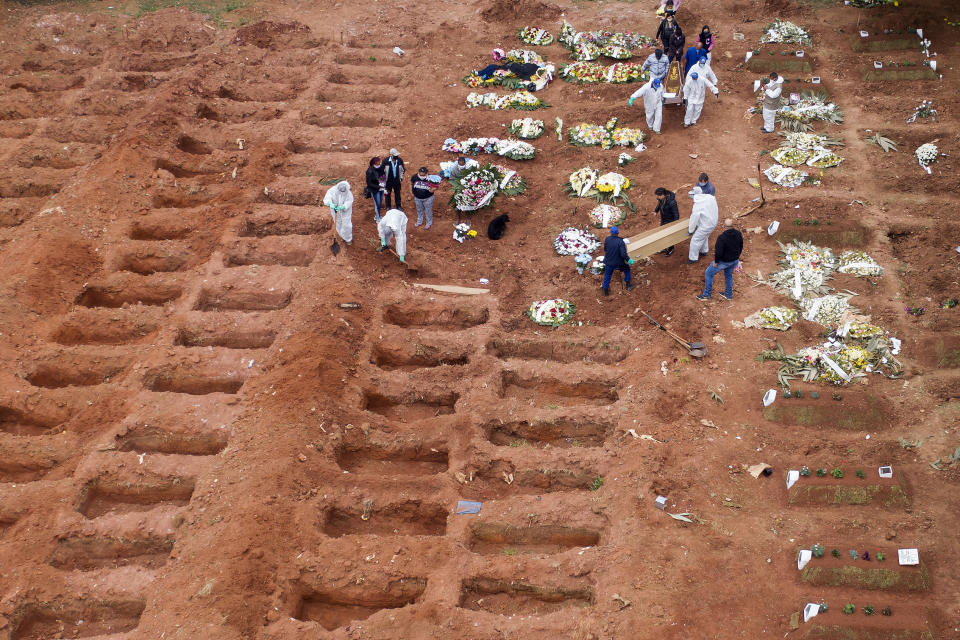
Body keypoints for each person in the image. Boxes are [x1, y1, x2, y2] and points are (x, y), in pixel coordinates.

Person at [697, 219, 743, 301]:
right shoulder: (738, 234)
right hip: (734, 260)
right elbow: (741, 246)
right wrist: (737, 257)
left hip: (724, 262)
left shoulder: (722, 238)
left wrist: (716, 262)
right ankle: (728, 294)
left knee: (708, 273)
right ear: (733, 226)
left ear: (724, 226)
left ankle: (706, 295)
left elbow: (719, 252)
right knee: (728, 275)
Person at [686, 186, 718, 263]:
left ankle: (693, 258)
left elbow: (694, 219)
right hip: (713, 221)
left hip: (706, 225)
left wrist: (690, 230)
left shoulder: (697, 206)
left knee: (695, 240)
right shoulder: (710, 197)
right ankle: (704, 251)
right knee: (704, 236)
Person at [601, 226, 635, 296]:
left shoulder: (607, 239)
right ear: (618, 233)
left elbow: (605, 249)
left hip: (608, 261)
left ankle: (605, 291)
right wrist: (629, 260)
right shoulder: (620, 241)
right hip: (618, 263)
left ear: (610, 232)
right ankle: (628, 285)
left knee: (607, 274)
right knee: (627, 269)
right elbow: (623, 254)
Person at [322, 180, 353, 245]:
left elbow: (349, 201)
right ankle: (342, 235)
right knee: (338, 224)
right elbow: (327, 198)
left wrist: (343, 207)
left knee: (347, 225)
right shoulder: (332, 190)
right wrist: (330, 203)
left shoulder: (348, 193)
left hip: (345, 212)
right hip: (335, 210)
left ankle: (348, 238)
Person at [653, 187, 680, 256]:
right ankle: (664, 247)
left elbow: (676, 214)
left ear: (663, 195)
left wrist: (674, 224)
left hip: (670, 221)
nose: (657, 197)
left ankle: (671, 249)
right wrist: (656, 211)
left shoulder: (672, 202)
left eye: (658, 196)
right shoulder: (661, 199)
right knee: (662, 234)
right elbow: (659, 204)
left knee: (669, 236)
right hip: (664, 220)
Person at [365, 157, 386, 222]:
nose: (379, 164)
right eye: (377, 163)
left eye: (379, 163)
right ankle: (377, 218)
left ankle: (378, 215)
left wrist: (383, 183)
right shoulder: (370, 171)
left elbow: (383, 175)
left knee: (379, 203)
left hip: (381, 188)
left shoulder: (380, 168)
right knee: (377, 204)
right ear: (373, 164)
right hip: (375, 190)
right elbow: (369, 183)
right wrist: (378, 186)